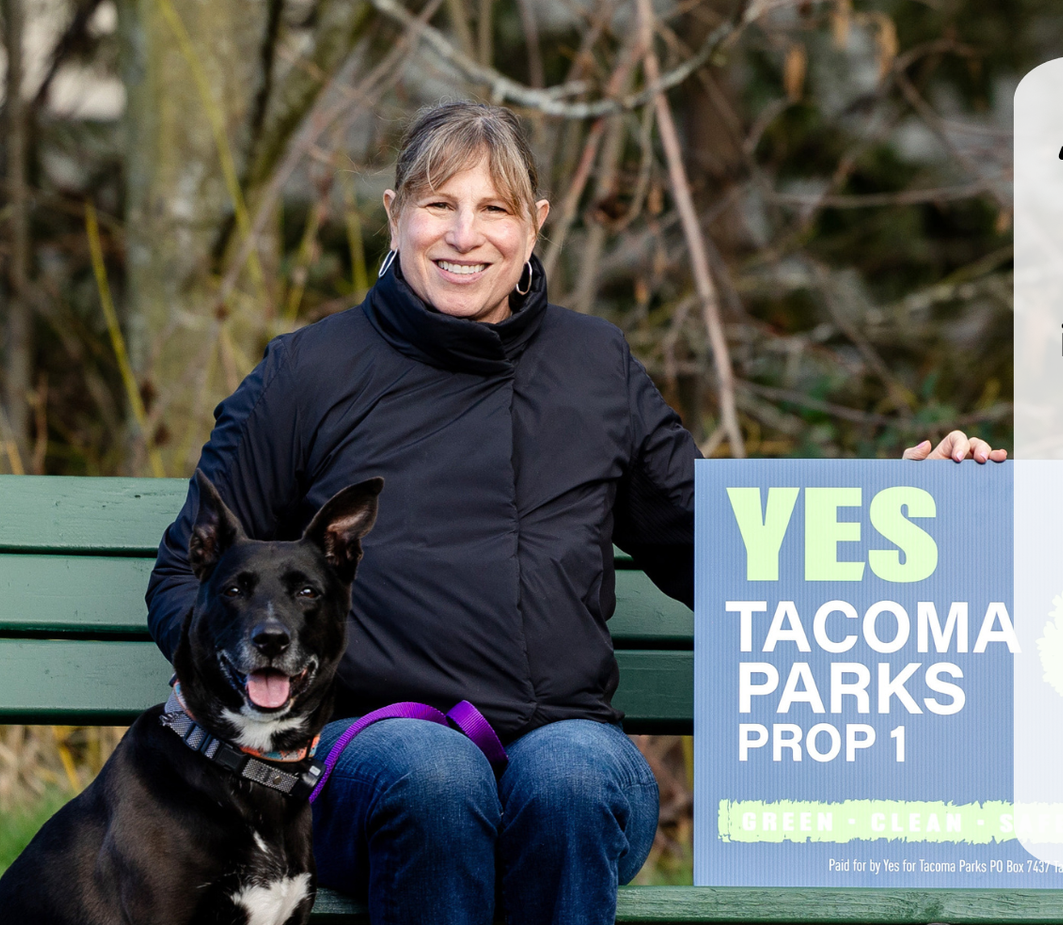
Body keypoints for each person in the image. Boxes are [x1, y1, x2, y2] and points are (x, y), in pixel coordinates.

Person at [146, 100, 1003, 925]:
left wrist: (900, 508)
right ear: (394, 212)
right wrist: (259, 716)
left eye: (494, 209)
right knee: (434, 776)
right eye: (438, 205)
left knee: (568, 779)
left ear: (536, 224)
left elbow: (723, 544)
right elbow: (186, 578)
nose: (464, 234)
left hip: (569, 748)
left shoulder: (596, 364)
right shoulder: (308, 373)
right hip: (368, 754)